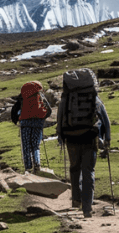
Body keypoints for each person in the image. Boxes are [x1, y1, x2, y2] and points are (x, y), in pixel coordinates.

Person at [57, 68, 111, 219]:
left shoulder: (65, 99)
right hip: (89, 138)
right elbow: (104, 118)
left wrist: (60, 136)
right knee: (88, 171)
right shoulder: (94, 97)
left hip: (71, 138)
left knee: (75, 168)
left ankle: (76, 199)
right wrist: (107, 139)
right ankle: (87, 208)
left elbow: (60, 117)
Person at [18, 81, 51, 173]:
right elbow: (49, 109)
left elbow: (17, 109)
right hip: (38, 123)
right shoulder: (40, 95)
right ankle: (37, 163)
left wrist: (19, 119)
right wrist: (42, 118)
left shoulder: (23, 96)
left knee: (26, 146)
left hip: (25, 123)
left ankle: (28, 167)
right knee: (35, 145)